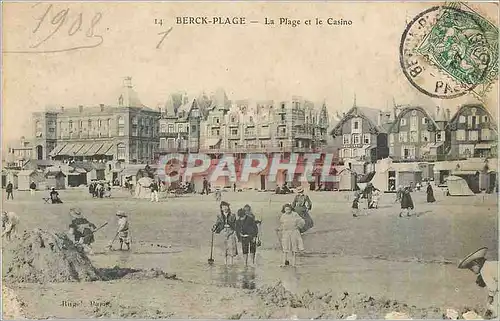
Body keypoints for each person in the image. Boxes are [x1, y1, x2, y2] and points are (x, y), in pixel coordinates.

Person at [458, 247, 498, 319]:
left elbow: (493, 288)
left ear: (477, 263)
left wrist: (489, 299)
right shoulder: (490, 264)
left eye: (471, 268)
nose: (472, 271)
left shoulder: (484, 270)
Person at [212, 201, 238, 265]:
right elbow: (217, 223)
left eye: (226, 207)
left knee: (231, 248)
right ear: (221, 208)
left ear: (228, 207)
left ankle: (231, 263)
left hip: (231, 232)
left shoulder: (233, 215)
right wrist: (214, 227)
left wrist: (234, 229)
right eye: (223, 207)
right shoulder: (219, 216)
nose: (225, 208)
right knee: (224, 248)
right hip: (223, 232)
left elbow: (235, 224)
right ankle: (225, 263)